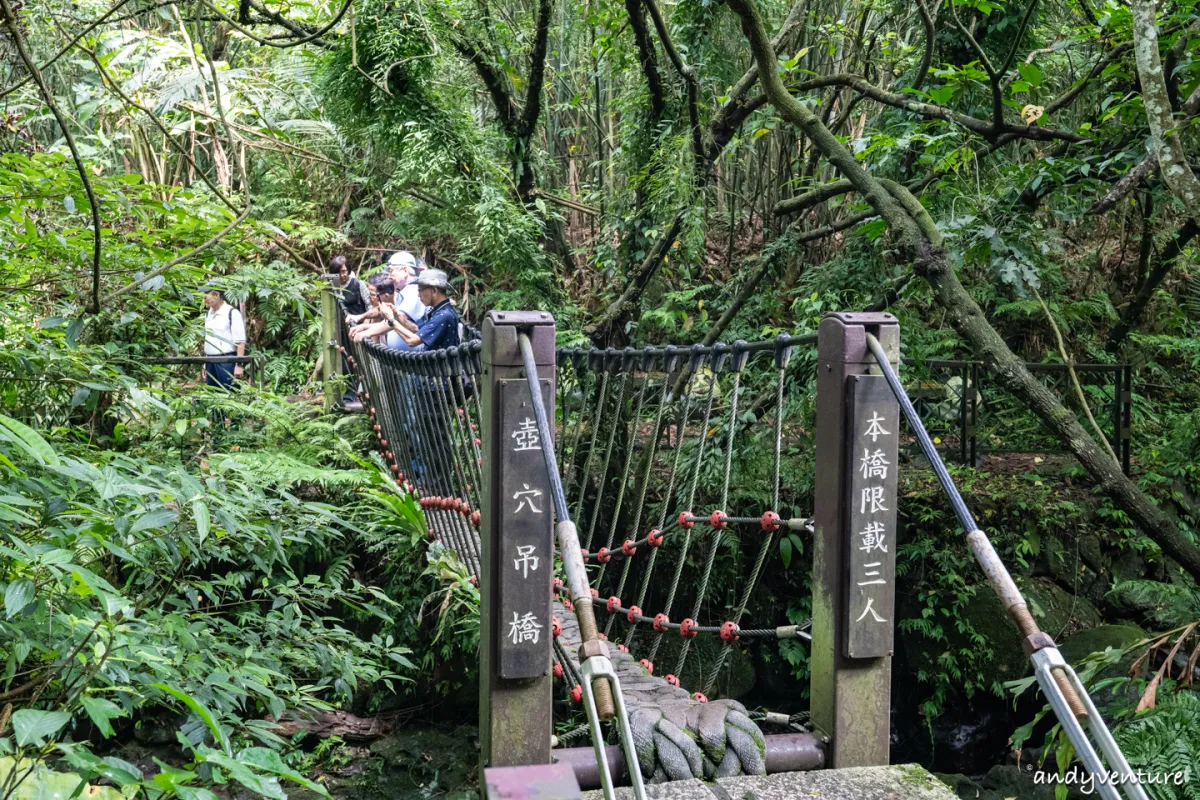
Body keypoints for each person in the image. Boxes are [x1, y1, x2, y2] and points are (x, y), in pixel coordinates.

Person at [385, 269, 460, 351]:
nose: (418, 294)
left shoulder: (443, 315)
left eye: (420, 290)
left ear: (434, 291)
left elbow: (412, 341)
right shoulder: (440, 310)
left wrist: (391, 320)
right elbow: (416, 329)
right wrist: (397, 315)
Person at [201, 287, 246, 390]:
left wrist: (239, 365)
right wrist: (205, 362)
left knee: (229, 393)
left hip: (227, 360)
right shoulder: (208, 314)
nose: (204, 299)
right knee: (212, 394)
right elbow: (208, 339)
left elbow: (240, 342)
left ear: (217, 295)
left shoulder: (231, 312)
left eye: (206, 296)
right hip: (210, 360)